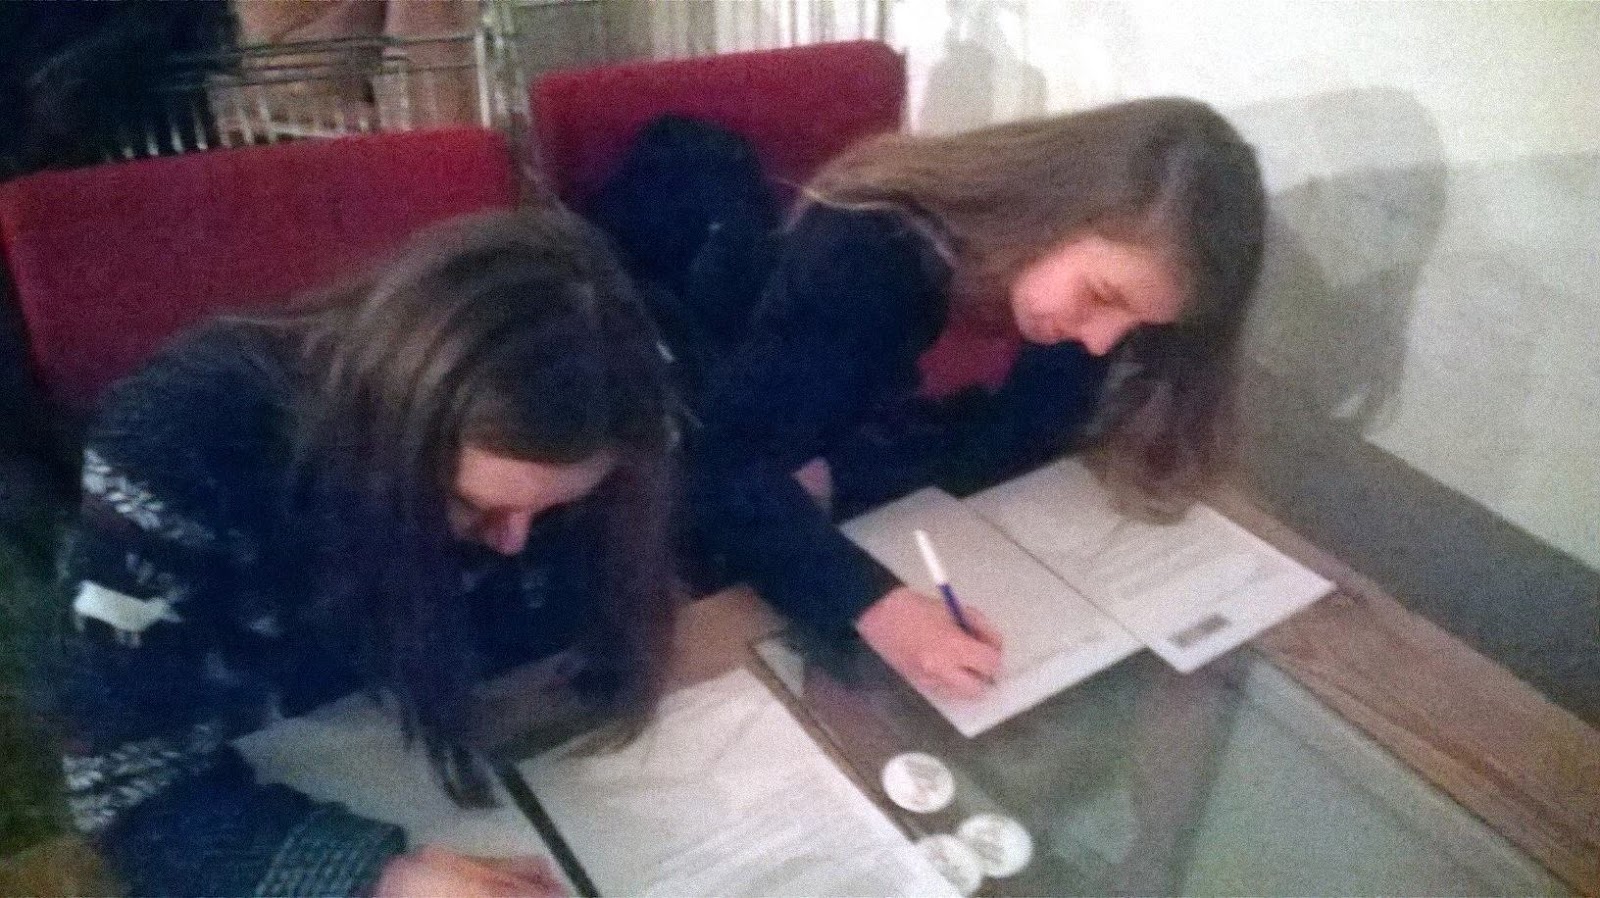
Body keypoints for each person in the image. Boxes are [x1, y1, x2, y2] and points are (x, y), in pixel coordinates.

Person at [51, 209, 675, 897]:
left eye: (553, 510)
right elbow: (129, 789)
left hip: (453, 766)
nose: (513, 543)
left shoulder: (592, 421)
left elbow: (567, 651)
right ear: (390, 438)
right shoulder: (184, 445)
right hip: (272, 766)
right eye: (470, 504)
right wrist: (379, 877)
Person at [686, 97, 1266, 700]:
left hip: (882, 523)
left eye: (1136, 325)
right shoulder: (864, 256)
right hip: (730, 555)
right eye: (1101, 295)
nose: (1100, 343)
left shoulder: (1062, 304)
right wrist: (877, 607)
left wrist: (856, 475)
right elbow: (718, 473)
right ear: (1054, 211)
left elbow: (1018, 445)